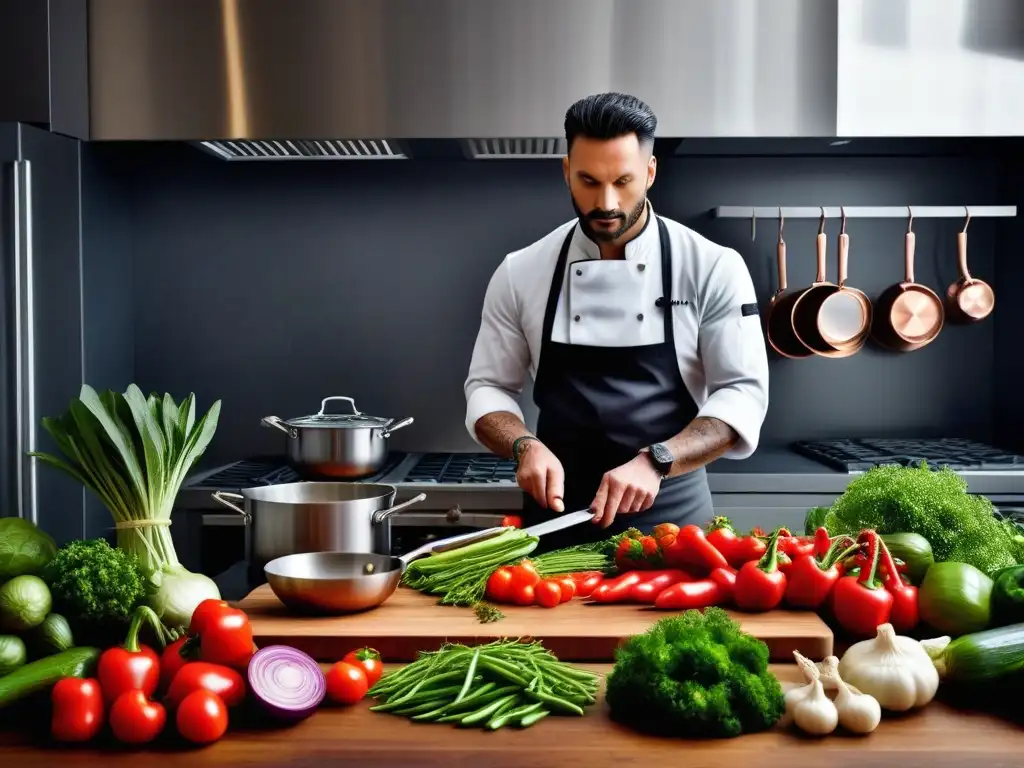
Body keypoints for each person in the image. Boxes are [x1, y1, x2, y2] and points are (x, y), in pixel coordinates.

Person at [463, 92, 769, 550]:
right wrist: (523, 444)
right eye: (588, 181)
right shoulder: (521, 271)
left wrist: (658, 459)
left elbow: (741, 394)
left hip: (675, 527)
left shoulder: (712, 266)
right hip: (554, 523)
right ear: (566, 171)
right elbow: (487, 386)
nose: (606, 202)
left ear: (650, 172)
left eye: (623, 181)